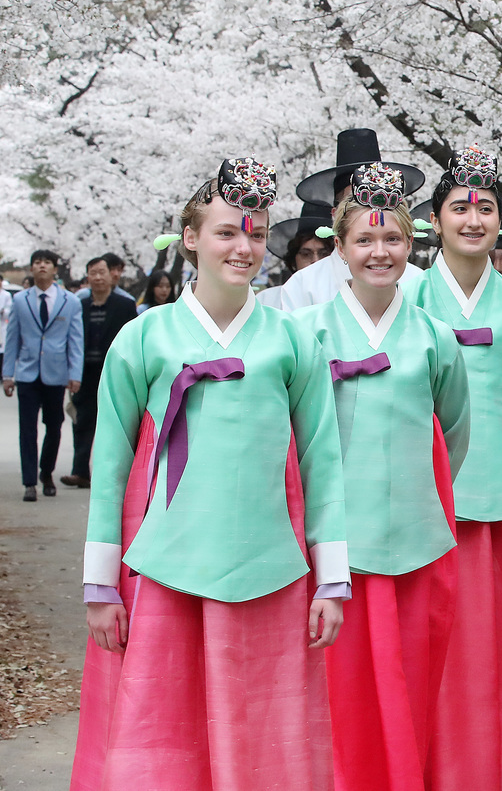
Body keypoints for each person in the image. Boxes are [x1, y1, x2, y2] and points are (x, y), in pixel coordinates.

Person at [71, 158, 349, 791]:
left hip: (272, 568)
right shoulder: (143, 339)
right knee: (160, 732)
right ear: (191, 238)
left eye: (255, 233)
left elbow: (321, 462)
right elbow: (108, 466)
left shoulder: (292, 340)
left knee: (266, 735)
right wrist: (99, 585)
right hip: (165, 565)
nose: (243, 247)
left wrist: (332, 579)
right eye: (226, 232)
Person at [297, 163, 472, 791]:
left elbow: (453, 431)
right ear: (339, 248)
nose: (380, 252)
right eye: (365, 241)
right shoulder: (304, 332)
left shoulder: (435, 336)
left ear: (411, 246)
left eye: (394, 240)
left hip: (415, 539)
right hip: (334, 541)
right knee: (334, 693)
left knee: (411, 685)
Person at [404, 145, 502, 791]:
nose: (473, 218)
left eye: (486, 208)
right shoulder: (406, 302)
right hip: (433, 499)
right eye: (460, 207)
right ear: (434, 220)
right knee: (445, 647)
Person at [279, 129, 427, 310]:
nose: (367, 208)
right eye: (353, 201)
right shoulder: (303, 285)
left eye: (392, 239)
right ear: (335, 215)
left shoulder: (419, 283)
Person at [3, 250, 83, 501]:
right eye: (37, 262)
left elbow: (75, 340)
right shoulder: (20, 300)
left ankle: (46, 472)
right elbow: (12, 338)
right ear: (31, 268)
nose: (41, 267)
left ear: (54, 269)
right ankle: (29, 482)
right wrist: (7, 374)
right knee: (27, 428)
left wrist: (75, 374)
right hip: (27, 373)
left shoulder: (69, 301)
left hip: (56, 374)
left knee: (54, 426)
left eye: (46, 263)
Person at [63, 257, 138, 489]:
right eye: (92, 273)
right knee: (82, 422)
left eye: (101, 272)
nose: (97, 277)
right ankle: (80, 471)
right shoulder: (79, 305)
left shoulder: (124, 305)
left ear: (111, 275)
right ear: (87, 277)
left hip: (113, 370)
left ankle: (115, 474)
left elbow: (132, 340)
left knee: (115, 421)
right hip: (85, 372)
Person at [261, 201, 336, 309]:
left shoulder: (350, 301)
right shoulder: (267, 301)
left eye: (324, 254)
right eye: (306, 254)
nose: (315, 260)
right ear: (294, 260)